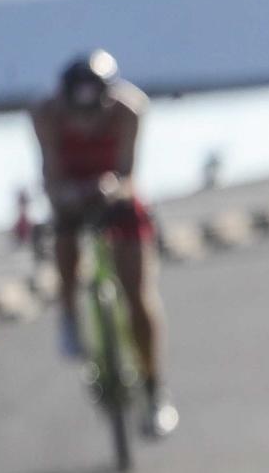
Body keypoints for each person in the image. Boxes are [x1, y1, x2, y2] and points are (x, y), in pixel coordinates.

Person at [30, 50, 178, 438]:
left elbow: (129, 173)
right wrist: (66, 194)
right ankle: (68, 314)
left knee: (138, 292)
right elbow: (50, 172)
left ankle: (152, 386)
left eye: (93, 114)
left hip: (115, 195)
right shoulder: (45, 114)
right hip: (70, 194)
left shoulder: (129, 110)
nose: (86, 123)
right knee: (63, 235)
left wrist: (112, 188)